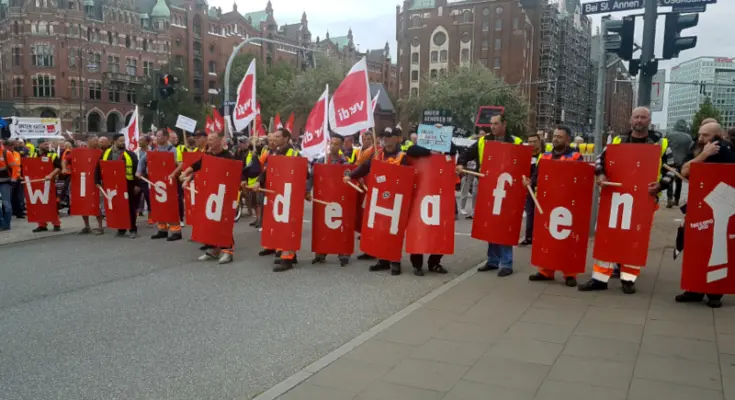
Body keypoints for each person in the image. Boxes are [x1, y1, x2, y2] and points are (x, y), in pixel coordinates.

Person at [578, 107, 676, 294]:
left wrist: (660, 185)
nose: (639, 120)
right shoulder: (618, 140)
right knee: (608, 236)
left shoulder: (661, 144)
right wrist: (600, 174)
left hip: (643, 199)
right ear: (631, 120)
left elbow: (672, 170)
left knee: (635, 237)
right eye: (636, 117)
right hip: (615, 195)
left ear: (649, 121)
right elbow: (600, 159)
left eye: (643, 117)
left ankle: (628, 279)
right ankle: (600, 278)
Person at [675, 121, 735, 308]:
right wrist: (703, 154)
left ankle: (715, 291)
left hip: (722, 207)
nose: (701, 138)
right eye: (700, 134)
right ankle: (694, 288)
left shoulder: (727, 151)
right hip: (698, 206)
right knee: (695, 247)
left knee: (718, 245)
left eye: (706, 135)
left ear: (718, 135)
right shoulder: (697, 148)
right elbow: (684, 170)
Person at [456, 114, 523, 277]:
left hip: (508, 190)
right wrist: (460, 163)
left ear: (504, 124)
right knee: (491, 225)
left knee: (504, 225)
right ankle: (493, 260)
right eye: (491, 124)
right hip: (488, 188)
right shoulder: (483, 141)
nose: (492, 127)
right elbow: (467, 153)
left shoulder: (516, 142)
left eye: (496, 123)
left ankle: (506, 263)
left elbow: (524, 163)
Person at [344, 127, 409, 276]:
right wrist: (351, 176)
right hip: (379, 198)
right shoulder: (377, 155)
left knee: (394, 231)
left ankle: (395, 261)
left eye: (389, 136)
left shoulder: (403, 156)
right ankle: (383, 260)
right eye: (384, 136)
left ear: (397, 138)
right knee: (380, 229)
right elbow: (364, 167)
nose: (386, 139)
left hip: (396, 200)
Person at [525, 126, 584, 287]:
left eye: (560, 136)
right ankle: (546, 270)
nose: (556, 139)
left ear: (568, 140)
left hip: (567, 204)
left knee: (567, 239)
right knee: (546, 238)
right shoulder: (545, 156)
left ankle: (570, 273)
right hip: (548, 202)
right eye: (555, 136)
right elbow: (537, 176)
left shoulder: (576, 157)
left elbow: (580, 179)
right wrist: (530, 182)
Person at [257, 128, 308, 272]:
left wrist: (306, 191)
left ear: (286, 138)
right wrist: (259, 182)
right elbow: (267, 171)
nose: (275, 139)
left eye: (278, 137)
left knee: (289, 225)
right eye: (275, 137)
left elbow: (306, 173)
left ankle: (287, 258)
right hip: (277, 194)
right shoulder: (274, 153)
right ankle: (289, 254)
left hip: (290, 195)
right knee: (280, 224)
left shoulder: (295, 154)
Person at [308, 135, 352, 267]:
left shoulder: (344, 163)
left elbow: (349, 179)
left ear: (341, 146)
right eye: (331, 143)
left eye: (336, 144)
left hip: (339, 199)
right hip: (323, 197)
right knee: (322, 225)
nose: (333, 146)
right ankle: (321, 252)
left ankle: (343, 253)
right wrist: (307, 190)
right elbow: (312, 176)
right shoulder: (321, 161)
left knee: (340, 224)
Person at [137, 129, 182, 241]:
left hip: (170, 183)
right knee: (158, 205)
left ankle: (176, 231)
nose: (156, 138)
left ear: (166, 137)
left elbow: (179, 165)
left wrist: (174, 173)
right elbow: (142, 161)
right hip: (157, 182)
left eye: (159, 136)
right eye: (156, 136)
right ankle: (162, 229)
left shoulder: (173, 150)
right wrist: (139, 171)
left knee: (171, 206)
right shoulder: (154, 150)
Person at [96, 133, 141, 238]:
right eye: (121, 141)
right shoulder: (106, 154)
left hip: (128, 184)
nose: (123, 143)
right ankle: (121, 228)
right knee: (118, 208)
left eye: (124, 140)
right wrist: (97, 181)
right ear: (114, 141)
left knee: (130, 207)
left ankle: (133, 229)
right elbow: (98, 167)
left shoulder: (131, 155)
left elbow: (137, 171)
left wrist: (137, 185)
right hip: (112, 185)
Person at [31, 141, 63, 232]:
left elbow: (58, 168)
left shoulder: (53, 155)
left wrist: (50, 175)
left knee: (51, 203)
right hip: (36, 182)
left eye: (47, 144)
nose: (47, 146)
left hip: (49, 182)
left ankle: (56, 224)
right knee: (39, 204)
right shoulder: (33, 155)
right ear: (39, 145)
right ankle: (42, 225)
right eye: (44, 144)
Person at [519, 132, 544, 246]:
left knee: (540, 213)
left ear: (539, 142)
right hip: (528, 188)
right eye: (530, 141)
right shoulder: (525, 155)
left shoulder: (544, 155)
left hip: (541, 188)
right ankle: (529, 237)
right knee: (530, 212)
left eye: (535, 141)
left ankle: (539, 236)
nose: (532, 144)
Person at [79, 135, 105, 235]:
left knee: (96, 204)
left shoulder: (101, 153)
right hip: (84, 181)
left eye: (97, 140)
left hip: (96, 182)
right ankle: (87, 226)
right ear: (89, 141)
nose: (97, 142)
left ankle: (100, 227)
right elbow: (68, 158)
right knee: (83, 204)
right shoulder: (81, 152)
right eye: (95, 140)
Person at [0, 140, 20, 230]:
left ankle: (6, 225)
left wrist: (13, 179)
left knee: (6, 203)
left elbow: (15, 167)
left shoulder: (6, 153)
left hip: (5, 182)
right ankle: (1, 224)